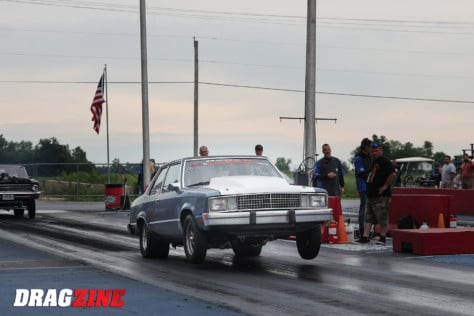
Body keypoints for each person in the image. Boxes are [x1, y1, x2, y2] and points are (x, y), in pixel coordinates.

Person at [358, 143, 397, 244]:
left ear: (381, 151)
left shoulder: (385, 162)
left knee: (382, 216)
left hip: (381, 196)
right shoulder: (373, 162)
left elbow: (392, 174)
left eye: (376, 151)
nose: (374, 153)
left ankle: (382, 237)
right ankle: (365, 236)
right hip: (371, 194)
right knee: (368, 217)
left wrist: (385, 186)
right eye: (373, 151)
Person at [354, 138, 372, 238]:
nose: (371, 149)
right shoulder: (358, 158)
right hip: (363, 186)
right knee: (364, 209)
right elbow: (362, 173)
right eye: (369, 146)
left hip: (370, 186)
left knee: (369, 210)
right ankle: (362, 231)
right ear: (365, 147)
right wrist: (372, 174)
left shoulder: (369, 157)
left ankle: (367, 231)